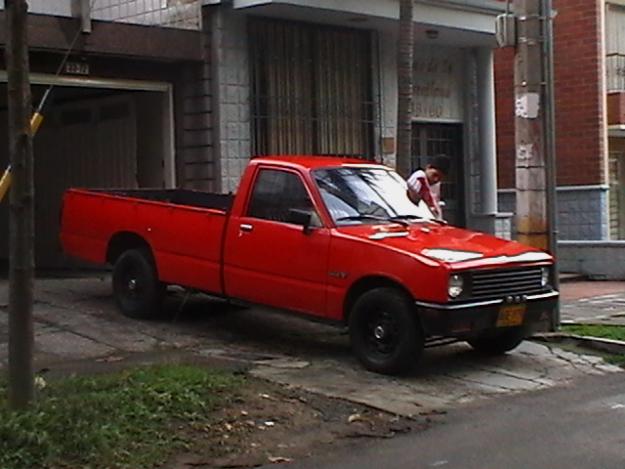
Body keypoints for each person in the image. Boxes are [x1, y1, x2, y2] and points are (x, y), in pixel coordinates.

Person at [406, 155, 450, 219]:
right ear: (428, 167)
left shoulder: (436, 185)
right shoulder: (419, 177)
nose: (436, 180)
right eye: (435, 175)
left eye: (440, 178)